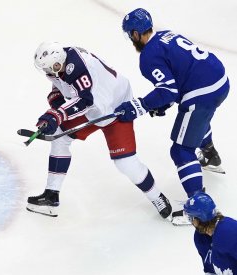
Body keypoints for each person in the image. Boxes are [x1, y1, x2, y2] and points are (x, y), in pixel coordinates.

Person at [27, 42, 172, 219]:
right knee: (59, 136)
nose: (49, 72)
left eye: (51, 68)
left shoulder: (77, 67)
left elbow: (84, 100)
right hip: (94, 108)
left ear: (59, 62)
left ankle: (156, 196)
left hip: (116, 107)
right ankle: (51, 197)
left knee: (126, 163)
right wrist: (56, 106)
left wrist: (57, 114)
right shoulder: (60, 62)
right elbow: (62, 85)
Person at [115, 8, 229, 222]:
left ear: (135, 34)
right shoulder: (167, 34)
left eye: (130, 35)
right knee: (197, 119)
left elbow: (168, 91)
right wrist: (163, 102)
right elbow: (178, 78)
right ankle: (211, 155)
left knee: (181, 150)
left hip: (201, 93)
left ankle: (200, 208)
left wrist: (142, 105)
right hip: (220, 81)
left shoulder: (148, 57)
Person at [184, 192, 237, 274]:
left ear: (198, 219)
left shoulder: (231, 231)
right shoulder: (200, 239)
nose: (190, 222)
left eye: (190, 218)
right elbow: (210, 268)